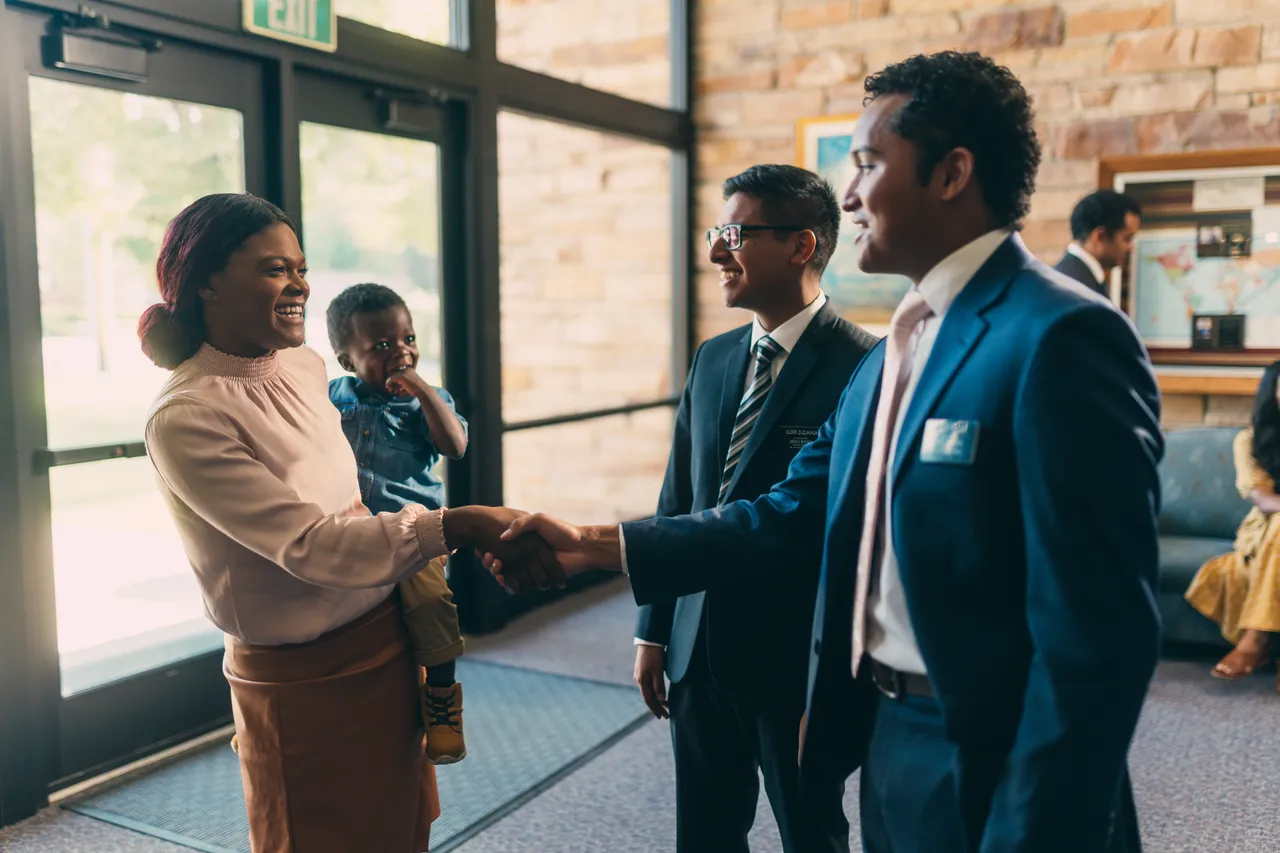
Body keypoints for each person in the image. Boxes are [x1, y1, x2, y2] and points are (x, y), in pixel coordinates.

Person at [490, 52, 1163, 853]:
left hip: (1003, 761)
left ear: (952, 174)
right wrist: (594, 545)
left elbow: (1097, 641)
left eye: (869, 164)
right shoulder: (892, 352)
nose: (848, 194)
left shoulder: (1062, 337)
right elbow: (783, 514)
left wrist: (1037, 826)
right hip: (889, 741)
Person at [138, 193, 557, 853]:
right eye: (275, 268)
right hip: (302, 680)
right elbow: (311, 546)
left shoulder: (302, 367)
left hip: (386, 639)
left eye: (300, 267)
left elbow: (351, 506)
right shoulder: (188, 414)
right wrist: (459, 524)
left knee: (400, 826)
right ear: (208, 282)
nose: (300, 283)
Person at [633, 164, 876, 853]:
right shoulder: (712, 359)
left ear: (802, 245)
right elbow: (680, 496)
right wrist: (653, 628)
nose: (715, 251)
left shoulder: (865, 366)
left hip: (794, 658)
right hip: (695, 645)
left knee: (812, 834)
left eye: (733, 234)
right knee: (705, 835)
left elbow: (850, 530)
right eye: (717, 231)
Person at [327, 283, 470, 765]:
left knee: (431, 601)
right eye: (382, 346)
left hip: (415, 533)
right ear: (348, 360)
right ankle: (286, 704)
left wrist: (424, 391)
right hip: (350, 531)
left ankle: (444, 702)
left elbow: (455, 445)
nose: (401, 353)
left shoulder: (425, 401)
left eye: (408, 339)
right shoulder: (330, 398)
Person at [1185, 360, 1280, 689]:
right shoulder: (1249, 441)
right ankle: (1255, 639)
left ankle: (1258, 645)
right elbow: (1263, 499)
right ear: (1273, 392)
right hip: (1266, 530)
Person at [1054, 189, 1142, 297]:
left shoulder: (1072, 277)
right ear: (1100, 236)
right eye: (1127, 239)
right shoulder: (1075, 288)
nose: (1131, 247)